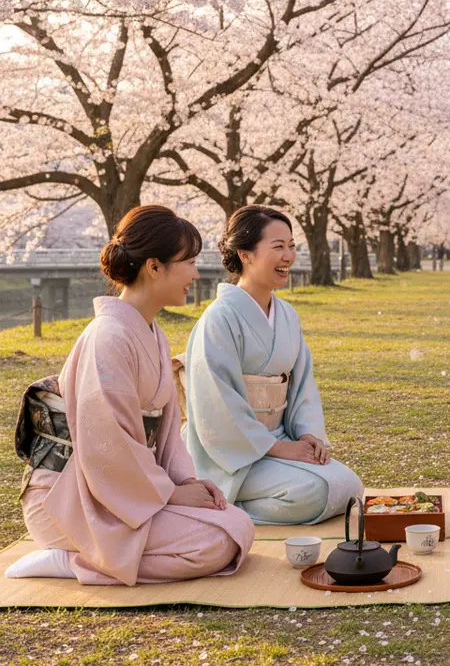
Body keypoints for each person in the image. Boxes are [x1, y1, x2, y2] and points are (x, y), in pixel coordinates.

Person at [7, 206, 254, 585]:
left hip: (127, 491)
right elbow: (108, 447)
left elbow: (169, 433)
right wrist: (170, 494)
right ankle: (70, 559)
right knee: (216, 542)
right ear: (154, 267)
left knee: (235, 524)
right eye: (187, 262)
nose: (195, 273)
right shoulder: (108, 337)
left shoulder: (151, 332)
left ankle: (96, 553)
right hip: (72, 496)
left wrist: (185, 482)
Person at [180, 205, 362, 525]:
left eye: (291, 246)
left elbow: (302, 384)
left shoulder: (288, 315)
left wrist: (307, 436)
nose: (288, 256)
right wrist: (276, 448)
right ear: (245, 255)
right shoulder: (219, 318)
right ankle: (225, 509)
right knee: (314, 492)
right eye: (278, 247)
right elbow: (216, 404)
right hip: (230, 454)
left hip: (280, 440)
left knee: (349, 486)